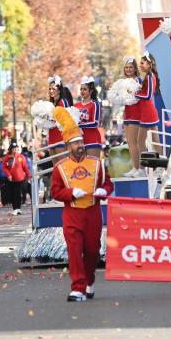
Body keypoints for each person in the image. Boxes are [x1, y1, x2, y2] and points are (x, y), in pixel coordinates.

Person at [49, 105, 113, 302]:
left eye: (81, 142)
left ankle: (89, 281)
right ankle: (77, 288)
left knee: (92, 251)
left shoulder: (97, 163)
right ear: (68, 147)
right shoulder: (59, 168)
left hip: (93, 212)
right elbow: (55, 192)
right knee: (74, 251)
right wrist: (70, 193)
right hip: (72, 213)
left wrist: (104, 191)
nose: (79, 146)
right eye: (75, 143)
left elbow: (108, 183)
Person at [77, 76, 104, 159]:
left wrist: (79, 125)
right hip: (79, 141)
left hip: (92, 140)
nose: (82, 91)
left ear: (91, 91)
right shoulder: (76, 105)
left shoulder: (95, 104)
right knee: (82, 169)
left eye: (85, 89)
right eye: (81, 89)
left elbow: (95, 123)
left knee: (93, 167)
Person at [1, 144, 31, 216]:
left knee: (17, 193)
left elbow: (25, 167)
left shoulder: (21, 157)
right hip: (11, 179)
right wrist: (8, 175)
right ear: (11, 149)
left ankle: (18, 209)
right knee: (12, 194)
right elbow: (4, 167)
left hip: (20, 178)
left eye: (16, 148)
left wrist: (29, 176)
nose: (15, 149)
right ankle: (15, 209)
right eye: (14, 148)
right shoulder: (6, 157)